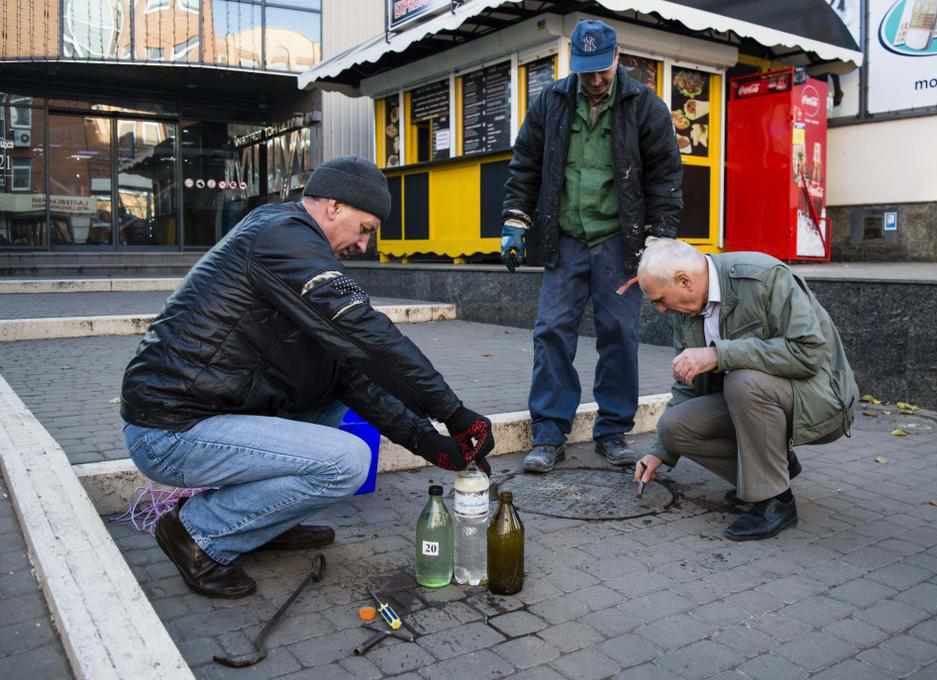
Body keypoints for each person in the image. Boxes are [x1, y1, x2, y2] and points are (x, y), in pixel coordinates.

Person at [121, 157, 494, 598]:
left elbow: (352, 375)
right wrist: (452, 411)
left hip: (209, 414)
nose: (364, 245)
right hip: (171, 429)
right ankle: (198, 533)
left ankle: (257, 525)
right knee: (348, 462)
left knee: (332, 395)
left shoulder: (293, 250)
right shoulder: (282, 236)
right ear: (334, 206)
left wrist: (431, 443)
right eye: (366, 228)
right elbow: (367, 330)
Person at [501, 19, 683, 473]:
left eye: (602, 69)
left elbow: (665, 177)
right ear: (573, 65)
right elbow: (525, 165)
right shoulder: (551, 102)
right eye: (586, 71)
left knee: (620, 335)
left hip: (621, 245)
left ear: (617, 58)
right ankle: (548, 435)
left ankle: (613, 432)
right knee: (551, 333)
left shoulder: (646, 106)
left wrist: (659, 240)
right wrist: (515, 222)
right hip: (564, 240)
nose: (596, 79)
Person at [632, 238, 857, 541]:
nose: (660, 310)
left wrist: (718, 355)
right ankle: (776, 467)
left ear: (684, 281)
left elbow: (809, 353)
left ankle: (775, 502)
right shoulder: (685, 311)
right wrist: (659, 451)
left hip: (822, 397)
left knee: (743, 381)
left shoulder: (763, 277)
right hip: (762, 398)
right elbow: (687, 385)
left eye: (659, 300)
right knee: (675, 427)